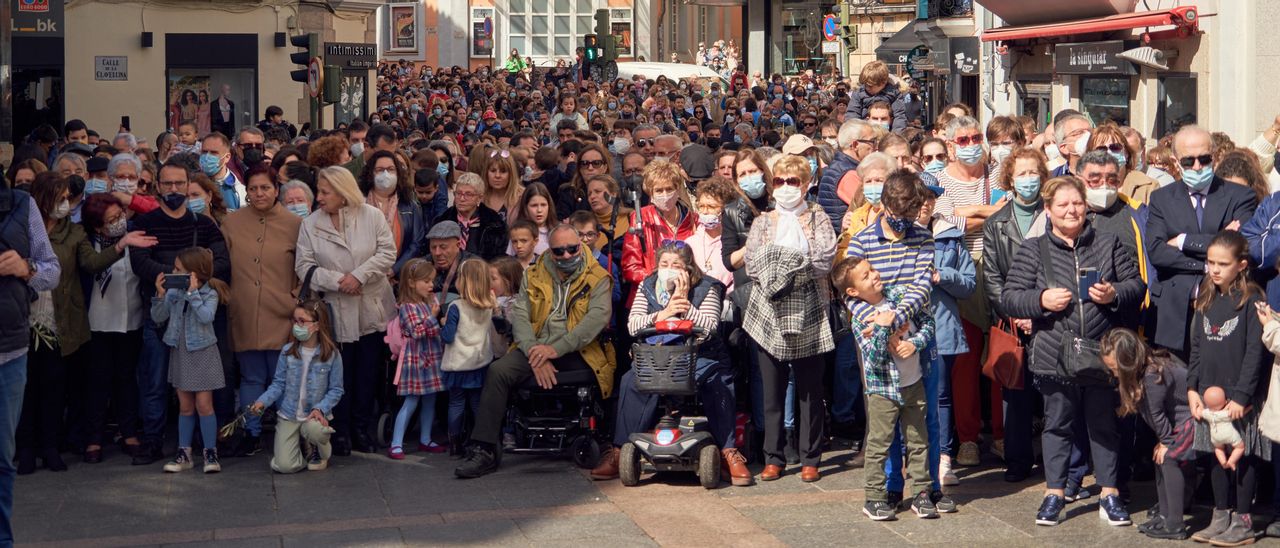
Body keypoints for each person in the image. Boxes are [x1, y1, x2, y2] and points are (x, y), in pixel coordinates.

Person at [1000, 176, 1144, 527]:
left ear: (1086, 207)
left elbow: (1136, 286)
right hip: (1054, 352)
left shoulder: (1107, 243)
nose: (1071, 210)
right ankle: (1055, 493)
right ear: (1048, 211)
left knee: (1104, 425)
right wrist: (1039, 300)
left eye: (1077, 203)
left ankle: (1109, 493)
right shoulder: (1034, 249)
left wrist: (1114, 294)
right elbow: (1009, 296)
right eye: (1062, 204)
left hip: (1102, 352)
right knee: (1057, 425)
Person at [454, 225, 614, 478]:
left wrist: (553, 350)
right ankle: (484, 449)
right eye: (559, 251)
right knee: (498, 370)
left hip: (578, 350)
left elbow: (593, 323)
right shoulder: (534, 273)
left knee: (596, 372)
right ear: (549, 250)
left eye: (572, 249)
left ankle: (605, 442)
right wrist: (534, 352)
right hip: (535, 347)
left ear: (580, 247)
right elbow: (520, 315)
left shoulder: (598, 277)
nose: (566, 255)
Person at [591, 240, 748, 486]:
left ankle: (727, 451)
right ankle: (620, 450)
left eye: (676, 264)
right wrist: (663, 314)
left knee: (717, 381)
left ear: (688, 267)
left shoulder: (708, 287)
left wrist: (684, 305)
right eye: (664, 263)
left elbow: (709, 327)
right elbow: (633, 325)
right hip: (659, 355)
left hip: (701, 354)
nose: (669, 268)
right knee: (631, 380)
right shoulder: (649, 285)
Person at [128, 158, 230, 466]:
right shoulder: (145, 223)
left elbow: (222, 264)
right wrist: (181, 278)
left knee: (202, 388)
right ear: (158, 187)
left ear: (188, 186)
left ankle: (204, 443)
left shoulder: (204, 224)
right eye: (168, 184)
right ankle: (153, 439)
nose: (174, 189)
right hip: (160, 315)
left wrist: (186, 280)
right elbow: (141, 263)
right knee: (156, 382)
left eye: (179, 184)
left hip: (198, 322)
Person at [741, 155, 836, 483]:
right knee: (772, 389)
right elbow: (752, 265)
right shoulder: (763, 222)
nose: (785, 187)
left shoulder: (818, 216)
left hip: (810, 308)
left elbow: (824, 259)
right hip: (768, 309)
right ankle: (773, 456)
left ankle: (811, 457)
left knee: (810, 389)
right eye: (779, 181)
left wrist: (782, 268)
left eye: (792, 181)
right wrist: (791, 266)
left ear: (806, 184)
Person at [294, 166, 397, 456]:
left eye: (326, 192)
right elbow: (303, 266)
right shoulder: (310, 224)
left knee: (367, 373)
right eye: (320, 190)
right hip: (335, 308)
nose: (320, 197)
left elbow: (387, 253)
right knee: (339, 374)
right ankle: (338, 432)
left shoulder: (371, 216)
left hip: (371, 307)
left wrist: (359, 276)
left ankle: (361, 428)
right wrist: (339, 281)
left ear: (342, 193)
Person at [836, 256, 938, 520]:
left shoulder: (900, 296)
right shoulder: (861, 318)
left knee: (918, 440)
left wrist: (914, 342)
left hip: (913, 382)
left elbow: (928, 323)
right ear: (852, 291)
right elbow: (873, 357)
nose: (874, 275)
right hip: (882, 390)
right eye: (865, 275)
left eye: (872, 269)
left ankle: (921, 493)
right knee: (879, 444)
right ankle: (874, 497)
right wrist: (883, 330)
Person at [1185, 231, 1268, 544]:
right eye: (1210, 263)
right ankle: (1221, 515)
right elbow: (1195, 347)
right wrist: (1192, 388)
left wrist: (1243, 397)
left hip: (1239, 399)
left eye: (1222, 264)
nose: (1215, 269)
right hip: (1209, 395)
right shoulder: (1206, 295)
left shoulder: (1252, 299)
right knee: (1214, 456)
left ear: (1241, 264)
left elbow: (1254, 353)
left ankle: (1244, 520)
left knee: (1241, 458)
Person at [1146, 126, 1257, 357]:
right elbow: (1157, 252)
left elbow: (1240, 245)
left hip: (1226, 307)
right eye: (1189, 161)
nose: (1197, 167)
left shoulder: (1240, 195)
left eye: (1204, 159)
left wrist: (1184, 241)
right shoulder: (1161, 199)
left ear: (1214, 157)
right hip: (1176, 314)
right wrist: (1208, 263)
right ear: (1176, 162)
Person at [221, 166, 301, 457]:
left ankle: (287, 434)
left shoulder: (294, 224)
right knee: (252, 378)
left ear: (276, 189)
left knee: (284, 378)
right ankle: (251, 432)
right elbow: (222, 265)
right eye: (253, 189)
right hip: (244, 310)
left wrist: (294, 299)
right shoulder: (232, 224)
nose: (258, 194)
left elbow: (304, 268)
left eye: (264, 188)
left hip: (283, 313)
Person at [982, 147, 1050, 483]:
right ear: (1010, 178)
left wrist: (1040, 311)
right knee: (1015, 393)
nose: (1028, 179)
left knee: (1053, 394)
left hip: (1050, 316)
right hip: (1013, 321)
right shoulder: (997, 223)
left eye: (1033, 172)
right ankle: (1018, 459)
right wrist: (1018, 312)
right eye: (1021, 173)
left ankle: (1054, 460)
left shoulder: (1053, 215)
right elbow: (992, 278)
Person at [79, 194, 156, 463]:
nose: (118, 223)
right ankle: (93, 438)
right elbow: (91, 267)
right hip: (97, 322)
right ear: (97, 226)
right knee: (98, 381)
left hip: (130, 319)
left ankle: (129, 432)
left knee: (126, 378)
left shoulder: (137, 235)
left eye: (120, 216)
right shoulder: (87, 242)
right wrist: (119, 245)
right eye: (111, 220)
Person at [1099, 328, 1195, 541]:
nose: (1113, 374)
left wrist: (1167, 442)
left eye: (1115, 369)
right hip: (1179, 421)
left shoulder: (1152, 375)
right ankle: (1164, 515)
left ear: (1128, 362)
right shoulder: (1146, 369)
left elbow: (1157, 415)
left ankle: (1175, 524)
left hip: (1194, 420)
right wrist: (1163, 442)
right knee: (1158, 457)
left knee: (1169, 458)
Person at [150, 247, 230, 474]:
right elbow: (158, 317)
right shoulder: (174, 293)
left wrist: (193, 294)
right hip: (180, 351)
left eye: (178, 269)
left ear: (195, 273)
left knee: (204, 405)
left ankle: (210, 452)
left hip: (202, 351)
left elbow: (206, 317)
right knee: (185, 406)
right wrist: (160, 294)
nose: (173, 273)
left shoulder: (209, 293)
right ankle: (184, 453)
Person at [916, 184, 976, 487]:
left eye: (929, 198)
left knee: (940, 394)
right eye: (919, 197)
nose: (925, 204)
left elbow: (968, 284)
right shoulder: (893, 234)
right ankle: (913, 457)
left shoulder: (950, 235)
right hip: (907, 327)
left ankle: (943, 456)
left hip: (942, 326)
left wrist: (942, 275)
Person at [250, 299, 344, 473]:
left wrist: (320, 409)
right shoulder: (287, 351)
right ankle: (300, 451)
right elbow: (278, 384)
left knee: (316, 430)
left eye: (302, 321)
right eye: (295, 320)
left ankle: (319, 450)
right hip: (290, 413)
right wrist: (262, 401)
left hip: (313, 416)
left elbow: (336, 390)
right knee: (284, 466)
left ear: (317, 325)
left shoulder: (332, 354)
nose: (297, 325)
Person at [387, 259, 447, 459]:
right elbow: (416, 332)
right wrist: (433, 317)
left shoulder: (426, 303)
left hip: (431, 357)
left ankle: (425, 438)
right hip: (416, 360)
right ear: (412, 283)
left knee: (430, 399)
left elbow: (433, 330)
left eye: (432, 281)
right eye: (426, 281)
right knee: (411, 400)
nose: (431, 285)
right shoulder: (407, 307)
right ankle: (396, 443)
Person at [440, 258, 496, 455]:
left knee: (456, 403)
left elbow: (447, 337)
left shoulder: (456, 306)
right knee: (476, 403)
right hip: (480, 362)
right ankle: (478, 439)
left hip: (458, 363)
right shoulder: (490, 304)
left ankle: (454, 443)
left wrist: (442, 323)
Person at [622, 161, 697, 302]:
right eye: (659, 190)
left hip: (688, 294)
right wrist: (660, 280)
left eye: (669, 189)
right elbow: (630, 266)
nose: (665, 195)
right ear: (650, 192)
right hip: (650, 296)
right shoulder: (641, 218)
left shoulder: (694, 220)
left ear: (677, 189)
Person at [359, 150, 425, 276]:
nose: (385, 174)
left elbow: (416, 243)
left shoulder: (410, 206)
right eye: (379, 170)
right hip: (363, 273)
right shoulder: (359, 204)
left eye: (390, 169)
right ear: (370, 173)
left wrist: (394, 269)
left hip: (398, 276)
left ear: (398, 173)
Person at [433, 172, 508, 261]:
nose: (462, 199)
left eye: (468, 194)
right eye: (458, 193)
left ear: (479, 198)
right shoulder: (442, 220)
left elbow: (499, 259)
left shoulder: (495, 224)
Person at [1090, 125, 1159, 205]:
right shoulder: (1082, 187)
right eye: (1101, 149)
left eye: (1115, 147)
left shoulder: (1148, 187)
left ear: (1126, 153)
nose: (1109, 153)